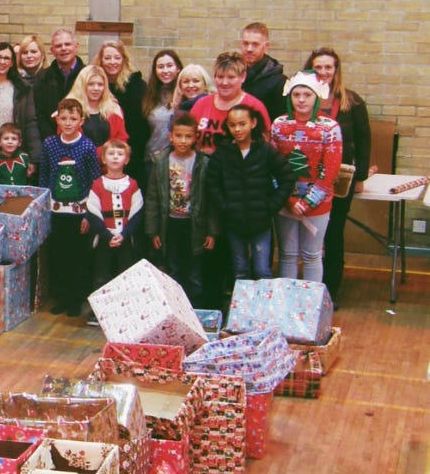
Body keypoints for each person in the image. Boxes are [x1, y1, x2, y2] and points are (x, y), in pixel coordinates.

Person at [306, 48, 371, 299]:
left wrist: (361, 177)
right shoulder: (302, 98)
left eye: (328, 68)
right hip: (308, 178)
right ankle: (308, 290)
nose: (323, 73)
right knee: (309, 236)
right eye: (318, 68)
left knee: (333, 233)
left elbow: (364, 141)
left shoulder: (351, 101)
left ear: (336, 70)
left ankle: (331, 292)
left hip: (341, 178)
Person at [207, 104, 294, 282]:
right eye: (232, 125)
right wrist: (225, 207)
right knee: (239, 269)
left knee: (262, 270)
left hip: (261, 221)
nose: (237, 129)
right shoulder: (222, 153)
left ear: (253, 123)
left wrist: (271, 206)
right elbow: (212, 183)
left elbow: (287, 179)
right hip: (233, 222)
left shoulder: (266, 151)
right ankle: (241, 308)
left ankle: (265, 308)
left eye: (242, 124)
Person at [271, 72, 343, 283]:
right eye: (296, 94)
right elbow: (273, 166)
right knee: (287, 254)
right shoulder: (279, 125)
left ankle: (312, 307)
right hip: (286, 201)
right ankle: (288, 304)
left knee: (312, 255)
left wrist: (308, 202)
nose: (301, 99)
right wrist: (289, 199)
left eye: (307, 95)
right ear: (289, 97)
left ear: (316, 97)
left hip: (317, 204)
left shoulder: (330, 128)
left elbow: (330, 171)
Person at [145, 112, 216, 305]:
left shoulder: (203, 163)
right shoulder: (161, 162)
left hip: (195, 225)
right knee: (174, 269)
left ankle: (196, 310)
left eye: (188, 136)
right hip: (170, 224)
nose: (183, 141)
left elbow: (210, 201)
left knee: (194, 272)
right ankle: (176, 310)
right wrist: (153, 231)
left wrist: (211, 231)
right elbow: (152, 198)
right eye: (178, 136)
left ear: (195, 137)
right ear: (171, 136)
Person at [40, 97, 101, 317]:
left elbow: (95, 181)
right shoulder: (50, 144)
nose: (67, 123)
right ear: (58, 119)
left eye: (72, 118)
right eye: (64, 118)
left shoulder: (86, 146)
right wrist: (44, 205)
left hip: (78, 211)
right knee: (59, 254)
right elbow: (45, 174)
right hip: (56, 210)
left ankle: (76, 298)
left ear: (81, 120)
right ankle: (62, 296)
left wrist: (88, 214)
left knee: (78, 255)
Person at [86, 139, 144, 315]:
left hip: (125, 239)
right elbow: (92, 212)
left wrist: (124, 235)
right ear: (103, 158)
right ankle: (99, 312)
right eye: (111, 154)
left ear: (126, 160)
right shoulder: (97, 185)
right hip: (105, 239)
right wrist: (107, 235)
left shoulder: (132, 185)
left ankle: (125, 311)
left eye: (120, 154)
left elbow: (137, 212)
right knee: (101, 276)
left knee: (125, 275)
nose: (115, 157)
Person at [190, 51, 271, 154]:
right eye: (220, 77)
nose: (224, 83)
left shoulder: (254, 106)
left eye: (231, 77)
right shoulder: (201, 104)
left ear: (243, 77)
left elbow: (264, 147)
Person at [95, 40, 149, 185]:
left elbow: (142, 126)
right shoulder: (95, 85)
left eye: (117, 57)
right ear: (100, 60)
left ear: (124, 59)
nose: (112, 62)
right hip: (101, 155)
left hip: (131, 153)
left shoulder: (138, 86)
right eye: (107, 58)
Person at [34, 28, 85, 143]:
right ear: (52, 50)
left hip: (82, 142)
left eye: (67, 44)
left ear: (76, 47)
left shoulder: (87, 75)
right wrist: (52, 142)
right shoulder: (42, 78)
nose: (63, 49)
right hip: (52, 142)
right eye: (58, 46)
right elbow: (40, 115)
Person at [65, 65, 128, 148]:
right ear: (82, 86)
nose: (96, 88)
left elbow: (121, 143)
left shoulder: (114, 109)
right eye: (90, 84)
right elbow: (66, 144)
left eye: (100, 84)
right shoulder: (69, 110)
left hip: (109, 160)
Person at [142, 49, 182, 171]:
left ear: (178, 68)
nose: (165, 71)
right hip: (152, 160)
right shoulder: (148, 94)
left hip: (178, 161)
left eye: (169, 66)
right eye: (160, 67)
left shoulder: (185, 94)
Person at [240, 21, 287, 121]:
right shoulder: (233, 75)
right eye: (245, 43)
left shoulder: (279, 82)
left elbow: (280, 120)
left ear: (266, 46)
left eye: (255, 44)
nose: (249, 49)